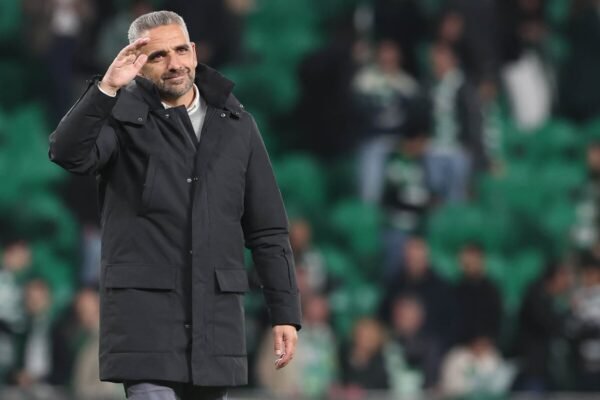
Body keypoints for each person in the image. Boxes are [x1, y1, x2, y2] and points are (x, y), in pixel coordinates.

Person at [48, 10, 301, 400]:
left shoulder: (237, 125)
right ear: (138, 64)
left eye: (181, 50)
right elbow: (67, 153)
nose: (174, 64)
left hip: (215, 325)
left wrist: (284, 313)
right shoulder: (120, 118)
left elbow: (267, 229)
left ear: (194, 52)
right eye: (158, 56)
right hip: (144, 324)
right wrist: (106, 88)